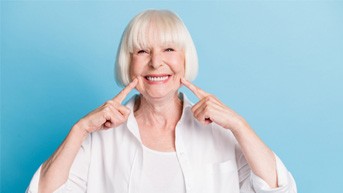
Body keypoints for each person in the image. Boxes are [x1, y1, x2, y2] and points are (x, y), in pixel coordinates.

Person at [26, 9, 297, 193]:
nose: (156, 62)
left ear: (184, 59)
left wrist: (239, 125)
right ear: (128, 63)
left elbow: (281, 190)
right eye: (143, 51)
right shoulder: (98, 138)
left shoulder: (220, 132)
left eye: (169, 49)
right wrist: (79, 130)